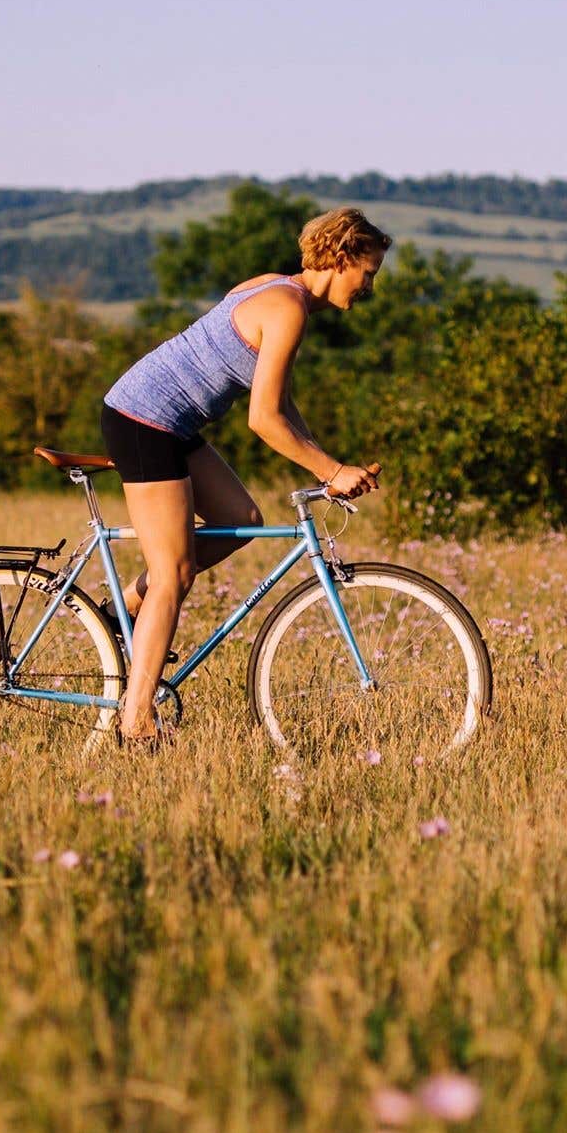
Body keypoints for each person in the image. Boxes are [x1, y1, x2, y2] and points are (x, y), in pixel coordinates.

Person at [98, 206, 390, 747]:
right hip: (144, 419)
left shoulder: (277, 288)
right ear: (343, 258)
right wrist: (330, 469)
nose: (369, 287)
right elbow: (263, 418)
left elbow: (279, 401)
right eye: (367, 274)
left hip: (169, 421)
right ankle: (135, 721)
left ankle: (121, 609)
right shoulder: (287, 308)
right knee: (175, 572)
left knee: (241, 519)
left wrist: (328, 466)